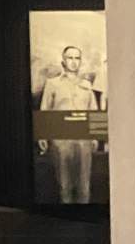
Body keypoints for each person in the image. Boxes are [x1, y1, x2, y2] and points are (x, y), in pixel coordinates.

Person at [38, 45, 101, 203]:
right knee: (64, 186)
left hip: (83, 140)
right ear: (63, 61)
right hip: (61, 140)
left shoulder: (87, 85)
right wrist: (42, 136)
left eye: (77, 58)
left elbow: (93, 110)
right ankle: (66, 217)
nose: (73, 61)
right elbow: (45, 109)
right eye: (70, 58)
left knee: (84, 186)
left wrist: (95, 137)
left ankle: (85, 217)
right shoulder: (52, 84)